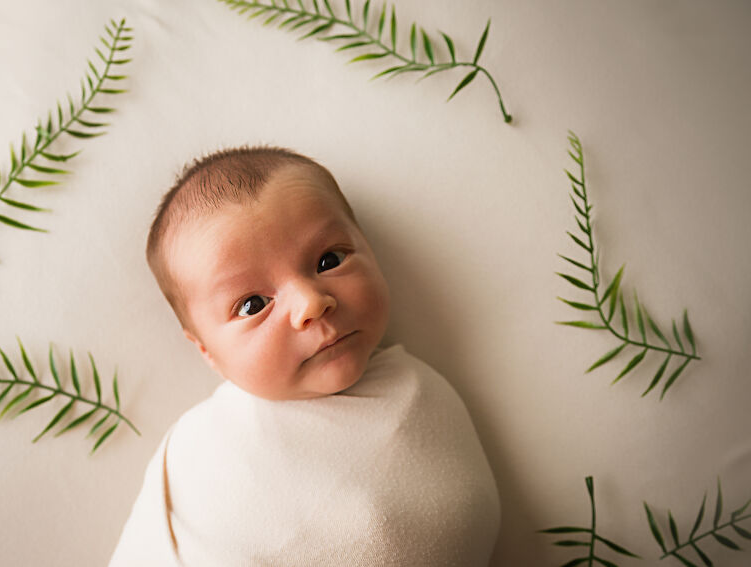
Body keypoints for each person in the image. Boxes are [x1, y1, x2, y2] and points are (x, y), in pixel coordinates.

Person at [109, 146, 500, 566]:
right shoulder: (201, 455)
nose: (311, 303)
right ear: (208, 351)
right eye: (253, 305)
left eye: (328, 260)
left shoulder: (423, 396)